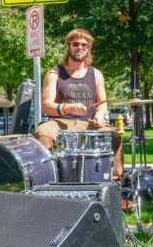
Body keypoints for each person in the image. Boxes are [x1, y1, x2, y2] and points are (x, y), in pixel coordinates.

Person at [34, 29, 124, 181]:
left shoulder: (96, 74)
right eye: (75, 44)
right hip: (59, 122)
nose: (80, 47)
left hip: (88, 123)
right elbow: (46, 105)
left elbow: (102, 103)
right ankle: (47, 181)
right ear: (68, 46)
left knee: (115, 137)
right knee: (44, 133)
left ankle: (114, 184)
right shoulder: (54, 73)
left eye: (84, 44)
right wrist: (68, 107)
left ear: (88, 48)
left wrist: (99, 115)